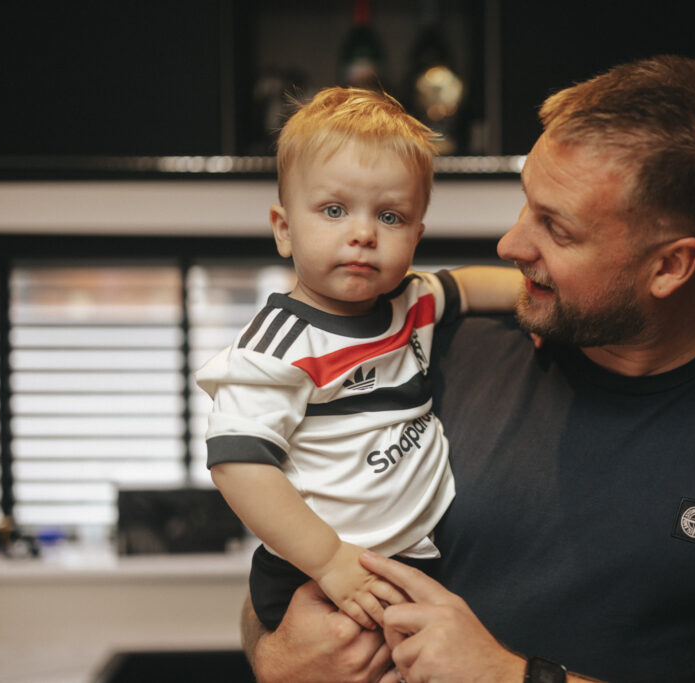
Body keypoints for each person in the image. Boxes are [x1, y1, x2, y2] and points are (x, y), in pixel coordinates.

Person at [243, 56, 695, 683]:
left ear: (670, 266)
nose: (511, 243)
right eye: (528, 203)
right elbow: (287, 571)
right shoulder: (440, 342)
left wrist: (511, 675)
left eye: (556, 228)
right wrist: (273, 655)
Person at [197, 87, 521, 633]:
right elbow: (239, 465)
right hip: (320, 570)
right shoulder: (278, 346)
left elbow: (467, 285)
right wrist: (328, 560)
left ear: (416, 237)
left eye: (391, 217)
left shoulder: (413, 300)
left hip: (417, 560)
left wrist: (537, 297)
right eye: (334, 210)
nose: (363, 233)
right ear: (284, 229)